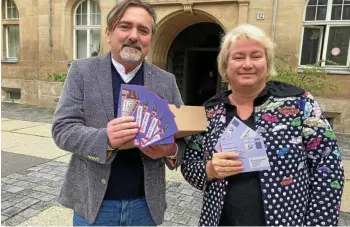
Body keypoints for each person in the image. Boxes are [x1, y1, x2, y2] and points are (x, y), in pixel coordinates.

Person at [181, 24, 344, 226]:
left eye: (256, 56)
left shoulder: (299, 103)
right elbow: (189, 165)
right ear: (225, 66)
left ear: (267, 63)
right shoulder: (210, 111)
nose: (247, 64)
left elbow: (328, 166)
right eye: (238, 57)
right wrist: (210, 170)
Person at [52, 0, 184, 226]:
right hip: (94, 205)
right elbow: (62, 129)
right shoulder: (82, 71)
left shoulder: (166, 81)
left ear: (150, 39)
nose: (134, 36)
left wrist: (171, 151)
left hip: (145, 207)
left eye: (143, 30)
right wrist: (105, 139)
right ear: (108, 33)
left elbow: (184, 138)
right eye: (125, 27)